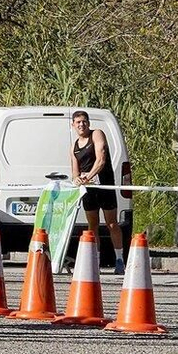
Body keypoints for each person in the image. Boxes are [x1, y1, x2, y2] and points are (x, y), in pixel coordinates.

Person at [69, 110, 124, 273]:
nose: (81, 124)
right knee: (92, 225)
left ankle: (119, 260)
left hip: (104, 186)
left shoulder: (97, 135)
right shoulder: (73, 147)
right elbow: (74, 171)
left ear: (88, 123)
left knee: (111, 223)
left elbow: (101, 159)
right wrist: (78, 179)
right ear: (73, 125)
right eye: (78, 122)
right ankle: (95, 261)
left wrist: (90, 176)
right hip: (89, 190)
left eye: (84, 121)